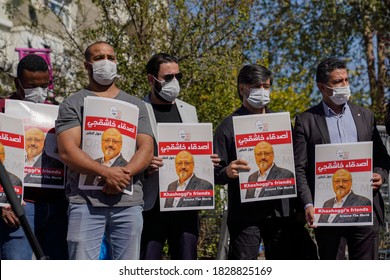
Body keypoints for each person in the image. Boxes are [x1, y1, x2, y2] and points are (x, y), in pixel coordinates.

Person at [56, 41, 153, 260]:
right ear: (86, 65)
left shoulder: (136, 105)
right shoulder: (72, 103)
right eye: (99, 58)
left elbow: (146, 148)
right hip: (85, 203)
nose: (106, 63)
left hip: (128, 204)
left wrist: (122, 176)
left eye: (111, 57)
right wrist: (107, 173)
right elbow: (67, 150)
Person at [293, 57, 390, 259]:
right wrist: (308, 204)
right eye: (337, 82)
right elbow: (299, 167)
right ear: (322, 87)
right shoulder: (307, 120)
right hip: (327, 213)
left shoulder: (365, 116)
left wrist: (380, 175)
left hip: (365, 209)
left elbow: (381, 158)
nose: (344, 86)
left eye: (346, 80)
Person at [214, 64, 309, 260]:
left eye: (266, 86)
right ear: (242, 89)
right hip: (245, 216)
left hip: (281, 212)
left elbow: (298, 166)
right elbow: (215, 172)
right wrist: (226, 172)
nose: (263, 91)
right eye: (257, 86)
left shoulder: (282, 124)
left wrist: (301, 207)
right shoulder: (227, 126)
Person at [141, 53, 218, 260]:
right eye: (168, 77)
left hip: (186, 204)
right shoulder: (138, 110)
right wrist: (144, 166)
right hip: (151, 204)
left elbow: (193, 149)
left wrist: (206, 161)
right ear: (151, 79)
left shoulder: (189, 110)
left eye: (178, 76)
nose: (174, 82)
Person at [0, 54, 68, 260]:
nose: (39, 92)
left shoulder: (59, 111)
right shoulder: (2, 109)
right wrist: (2, 202)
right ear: (17, 82)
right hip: (17, 208)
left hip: (56, 207)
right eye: (31, 86)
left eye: (44, 85)